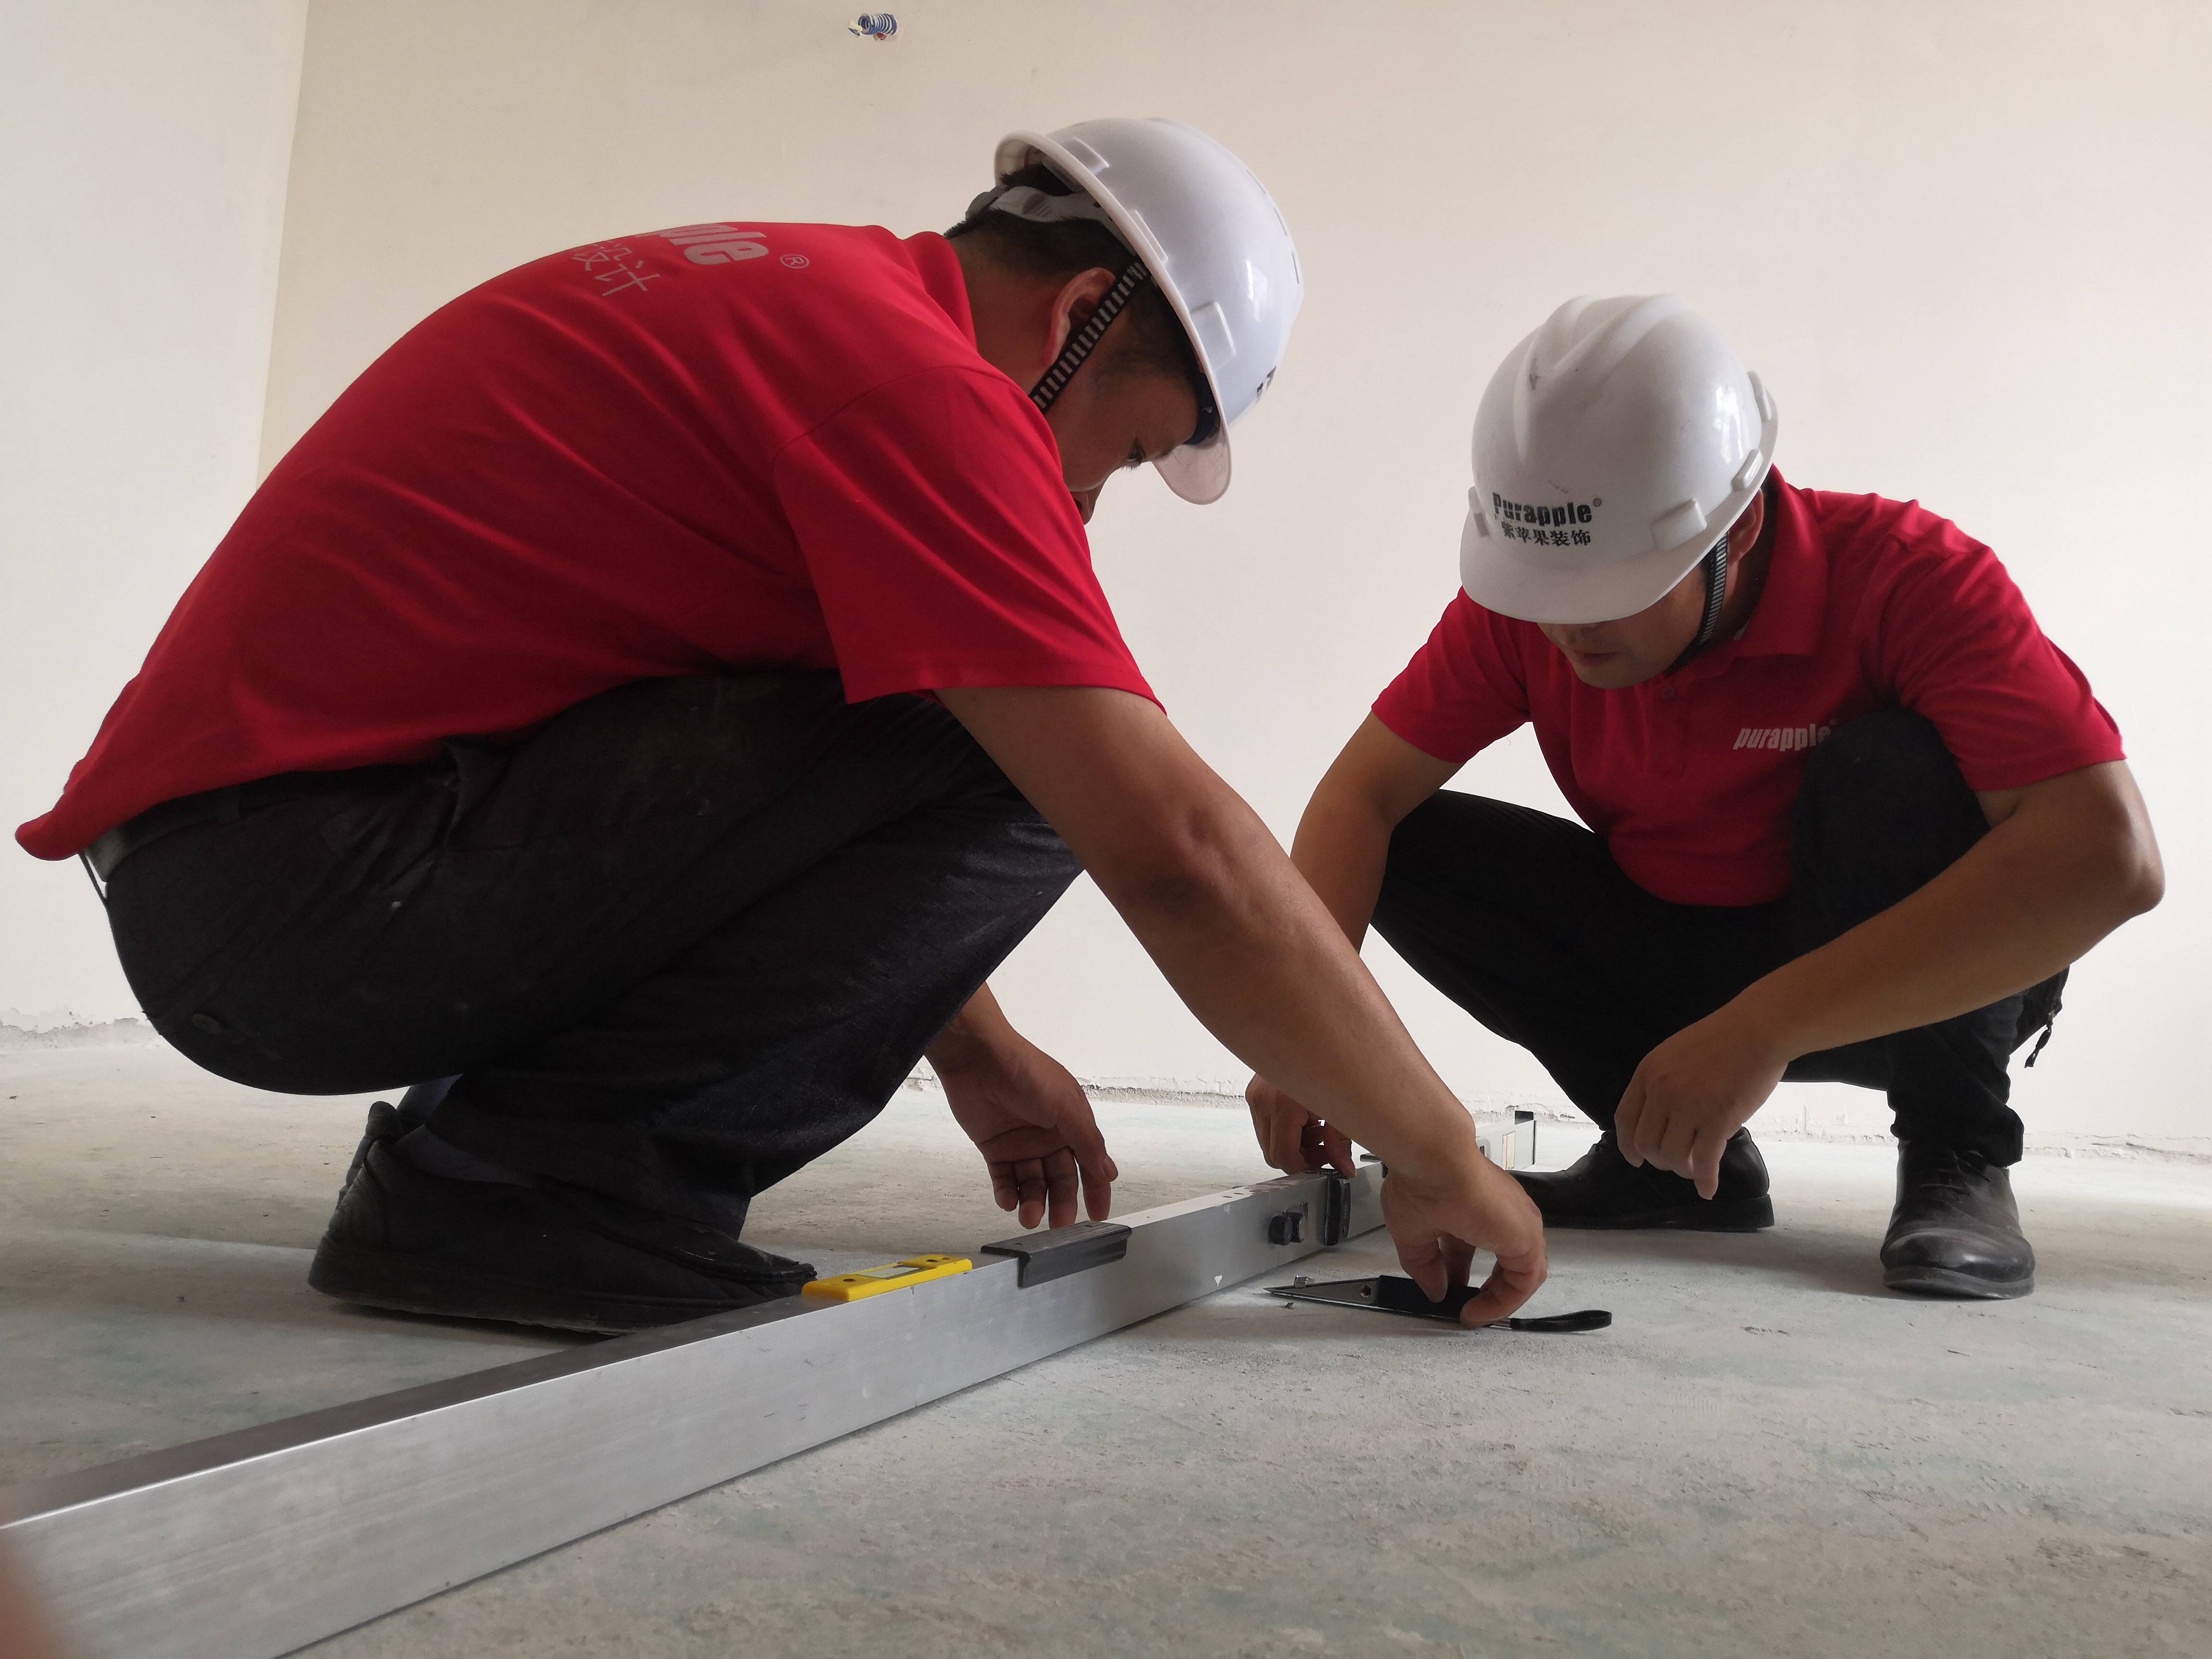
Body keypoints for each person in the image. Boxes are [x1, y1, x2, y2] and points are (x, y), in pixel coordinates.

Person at [18, 118, 1543, 1334]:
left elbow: (772, 791)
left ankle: (512, 1168)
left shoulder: (812, 304)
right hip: (305, 902)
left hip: (264, 878)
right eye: (1123, 453)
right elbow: (1180, 854)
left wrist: (975, 1048)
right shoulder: (922, 391)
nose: (1081, 505)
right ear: (1081, 316)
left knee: (960, 707)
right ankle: (533, 1193)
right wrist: (1443, 1153)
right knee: (1034, 752)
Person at [1245, 294, 2162, 1299]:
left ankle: (1959, 1152)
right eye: (1548, 594)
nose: (1569, 630)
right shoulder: (1532, 603)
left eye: (1610, 591)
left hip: (1916, 985)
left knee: (1895, 770)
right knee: (1412, 845)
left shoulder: (1909, 579)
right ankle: (1663, 1163)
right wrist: (1303, 1036)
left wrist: (1764, 1026)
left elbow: (2108, 859)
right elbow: (1360, 799)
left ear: (1741, 524)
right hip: (1686, 952)